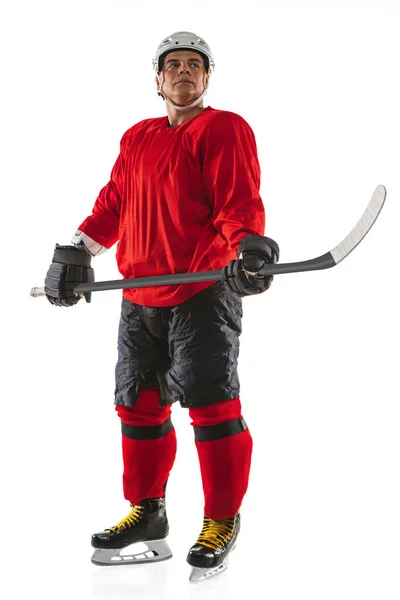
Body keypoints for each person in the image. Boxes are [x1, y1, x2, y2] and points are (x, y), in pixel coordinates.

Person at [44, 31, 279, 582]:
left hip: (201, 292)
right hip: (137, 294)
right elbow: (114, 205)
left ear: (206, 78)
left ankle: (222, 519)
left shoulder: (223, 128)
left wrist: (248, 244)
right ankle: (148, 514)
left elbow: (236, 198)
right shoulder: (138, 137)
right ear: (157, 80)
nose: (182, 72)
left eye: (193, 65)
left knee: (211, 403)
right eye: (172, 65)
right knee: (138, 406)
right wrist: (75, 252)